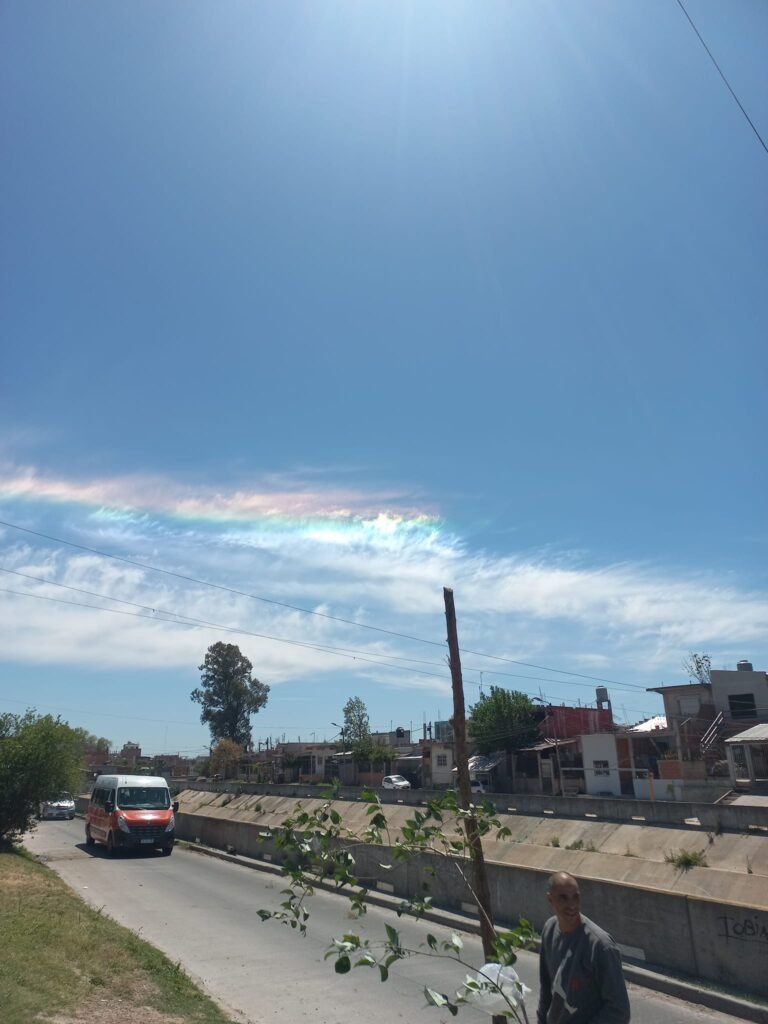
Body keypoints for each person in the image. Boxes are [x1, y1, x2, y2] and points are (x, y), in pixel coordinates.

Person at [537, 871, 630, 1024]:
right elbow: (546, 990)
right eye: (563, 897)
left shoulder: (601, 946)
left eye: (576, 896)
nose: (572, 904)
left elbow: (619, 1012)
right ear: (550, 899)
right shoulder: (549, 930)